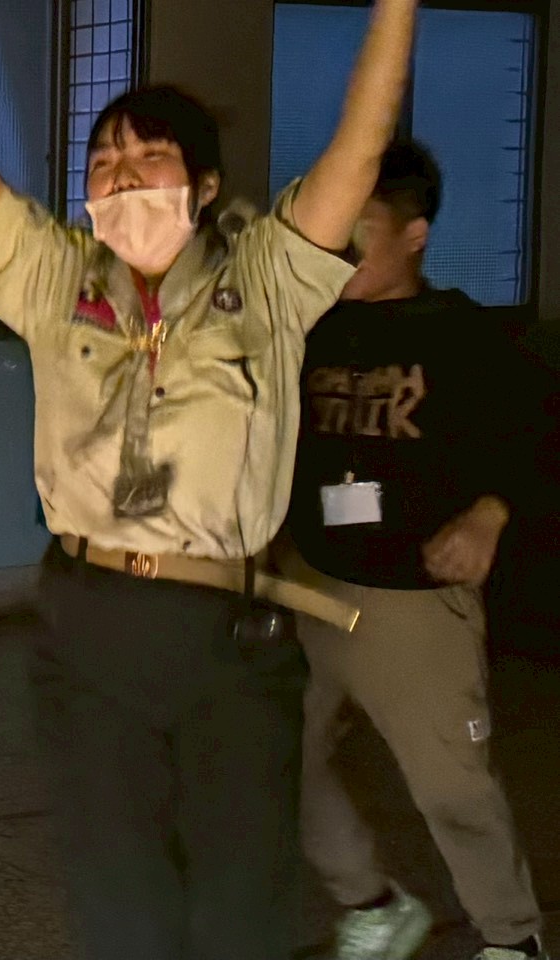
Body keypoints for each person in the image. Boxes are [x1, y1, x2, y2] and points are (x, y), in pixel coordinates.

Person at [0, 0, 415, 955]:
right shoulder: (54, 277)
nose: (121, 174)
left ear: (205, 184)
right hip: (90, 623)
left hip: (230, 633)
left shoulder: (267, 278)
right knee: (120, 906)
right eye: (103, 160)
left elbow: (358, 153)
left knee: (240, 905)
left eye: (149, 156)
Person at [283, 141, 548, 960]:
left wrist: (490, 515)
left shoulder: (464, 336)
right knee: (276, 761)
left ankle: (513, 940)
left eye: (361, 229)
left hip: (412, 602)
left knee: (450, 789)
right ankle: (371, 900)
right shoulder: (315, 327)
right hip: (307, 584)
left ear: (415, 234)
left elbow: (536, 440)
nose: (342, 247)